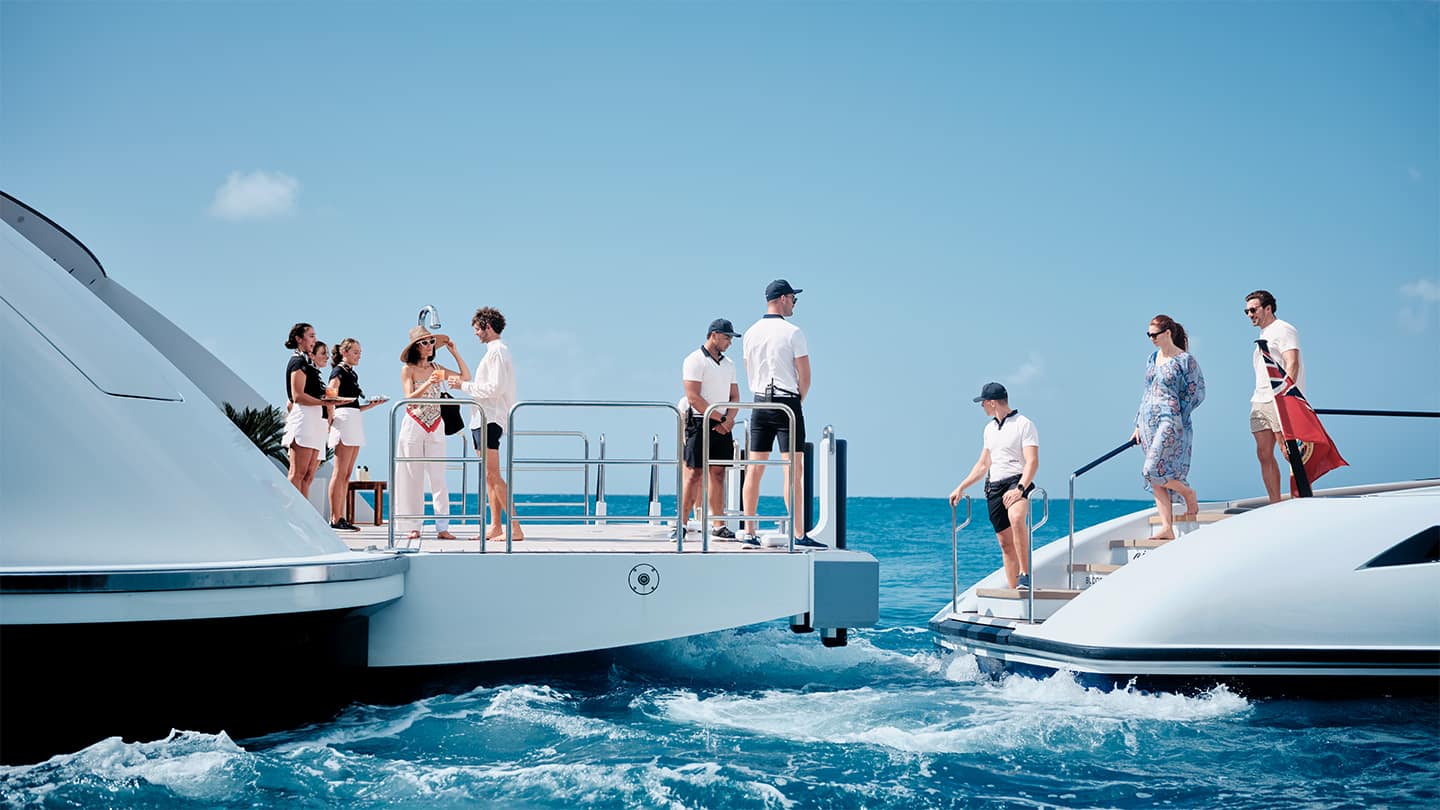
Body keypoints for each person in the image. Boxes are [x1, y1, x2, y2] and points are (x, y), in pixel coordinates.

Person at [740, 279, 824, 548]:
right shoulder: (793, 332)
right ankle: (799, 533)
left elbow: (749, 369)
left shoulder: (751, 332)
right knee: (793, 471)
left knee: (754, 469)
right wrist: (797, 402)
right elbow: (806, 376)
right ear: (783, 298)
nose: (794, 304)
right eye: (793, 299)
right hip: (787, 402)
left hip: (759, 403)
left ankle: (750, 530)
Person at [948, 383, 1039, 590]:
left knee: (1016, 518)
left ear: (992, 402)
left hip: (1017, 481)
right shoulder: (989, 429)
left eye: (983, 403)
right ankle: (1014, 588)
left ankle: (1025, 575)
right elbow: (983, 465)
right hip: (994, 487)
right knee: (1005, 544)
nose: (982, 407)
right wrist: (962, 487)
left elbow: (1032, 461)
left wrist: (1020, 489)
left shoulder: (1024, 424)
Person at [450, 307, 523, 541]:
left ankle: (515, 527)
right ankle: (496, 526)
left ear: (487, 327)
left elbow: (495, 389)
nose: (475, 334)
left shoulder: (498, 351)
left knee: (493, 474)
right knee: (489, 476)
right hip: (481, 418)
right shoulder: (494, 352)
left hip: (490, 418)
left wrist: (462, 386)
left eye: (477, 329)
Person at [1131, 315, 1206, 539]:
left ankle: (1187, 493)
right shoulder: (1152, 358)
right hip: (1147, 421)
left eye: (1154, 334)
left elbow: (1197, 392)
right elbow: (1146, 391)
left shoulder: (1185, 360)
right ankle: (1167, 527)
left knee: (1150, 470)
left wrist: (1178, 411)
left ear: (1167, 333)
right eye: (1149, 335)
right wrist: (1137, 423)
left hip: (1169, 419)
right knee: (1158, 473)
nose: (1151, 338)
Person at [396, 326, 469, 541]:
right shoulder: (407, 369)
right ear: (415, 347)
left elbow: (465, 377)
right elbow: (409, 397)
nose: (429, 346)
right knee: (413, 477)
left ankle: (442, 527)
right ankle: (413, 525)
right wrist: (429, 382)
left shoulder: (437, 367)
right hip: (413, 424)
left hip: (436, 424)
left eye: (431, 342)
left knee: (439, 478)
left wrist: (455, 352)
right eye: (424, 342)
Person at [679, 318, 742, 540]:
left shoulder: (730, 365)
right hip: (699, 422)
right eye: (727, 337)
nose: (729, 342)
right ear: (713, 335)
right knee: (694, 474)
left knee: (718, 474)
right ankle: (682, 524)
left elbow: (735, 396)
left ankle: (718, 525)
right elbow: (693, 397)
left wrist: (729, 420)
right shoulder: (694, 360)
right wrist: (721, 417)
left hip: (723, 424)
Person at [1245, 290, 1303, 503]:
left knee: (1288, 450)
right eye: (1247, 311)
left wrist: (1286, 395)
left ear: (1267, 308)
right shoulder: (1264, 334)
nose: (1250, 314)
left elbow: (1292, 363)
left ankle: (1302, 496)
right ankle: (1275, 502)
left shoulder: (1284, 329)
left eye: (1254, 309)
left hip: (1279, 397)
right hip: (1259, 398)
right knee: (1263, 453)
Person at [281, 323, 350, 498]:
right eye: (311, 336)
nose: (315, 339)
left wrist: (328, 403)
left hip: (314, 419)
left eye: (314, 335)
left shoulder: (307, 364)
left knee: (308, 476)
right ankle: (292, 517)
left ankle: (305, 518)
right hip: (304, 419)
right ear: (299, 339)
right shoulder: (297, 362)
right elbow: (297, 396)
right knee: (297, 473)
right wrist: (324, 402)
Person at [326, 338, 386, 531]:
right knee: (340, 471)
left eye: (360, 352)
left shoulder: (352, 374)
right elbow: (331, 397)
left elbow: (352, 405)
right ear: (345, 352)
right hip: (343, 420)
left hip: (353, 419)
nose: (359, 355)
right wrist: (329, 421)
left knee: (347, 473)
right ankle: (335, 518)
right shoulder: (338, 372)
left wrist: (371, 405)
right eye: (355, 352)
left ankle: (340, 516)